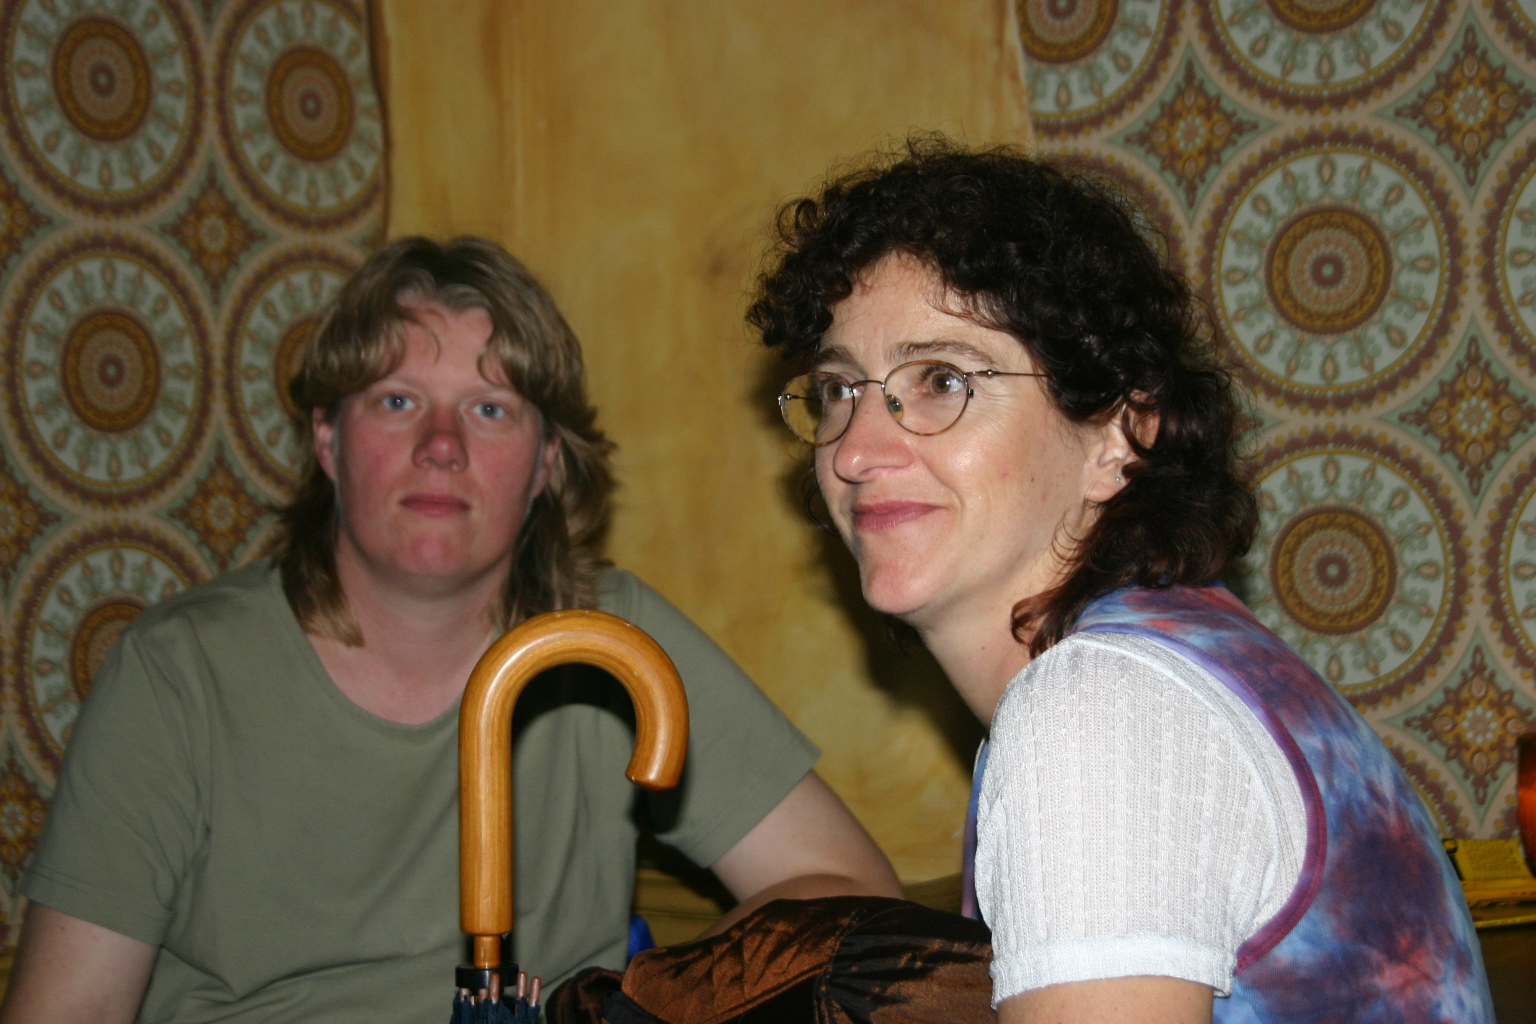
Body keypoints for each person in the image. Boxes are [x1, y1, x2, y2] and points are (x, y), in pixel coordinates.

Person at [2, 237, 901, 1024]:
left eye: (490, 408)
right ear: (328, 439)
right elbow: (69, 1007)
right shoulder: (180, 673)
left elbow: (850, 893)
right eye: (398, 401)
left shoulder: (605, 643)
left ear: (546, 462)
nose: (441, 445)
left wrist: (634, 1005)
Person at [748, 139, 1494, 1024]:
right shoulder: (1173, 652)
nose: (858, 450)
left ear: (1119, 437)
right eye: (839, 390)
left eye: (941, 380)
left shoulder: (1097, 714)